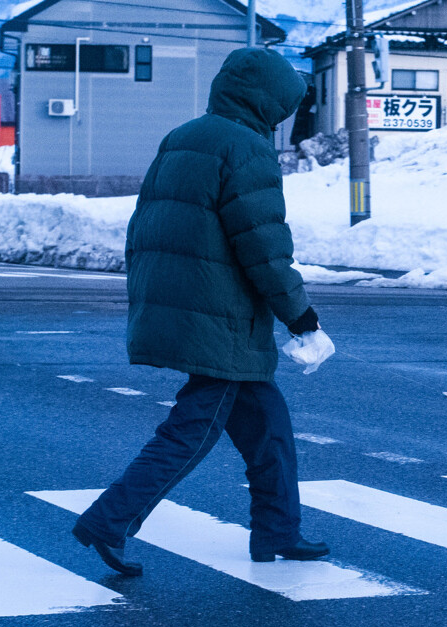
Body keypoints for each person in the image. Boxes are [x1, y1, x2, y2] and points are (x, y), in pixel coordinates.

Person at [71, 48, 329, 576]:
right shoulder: (247, 148)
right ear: (268, 100)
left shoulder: (185, 135)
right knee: (190, 430)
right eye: (285, 104)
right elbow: (264, 246)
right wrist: (302, 318)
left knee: (270, 427)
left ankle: (279, 532)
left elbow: (145, 228)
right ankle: (109, 520)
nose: (285, 115)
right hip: (222, 319)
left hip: (191, 305)